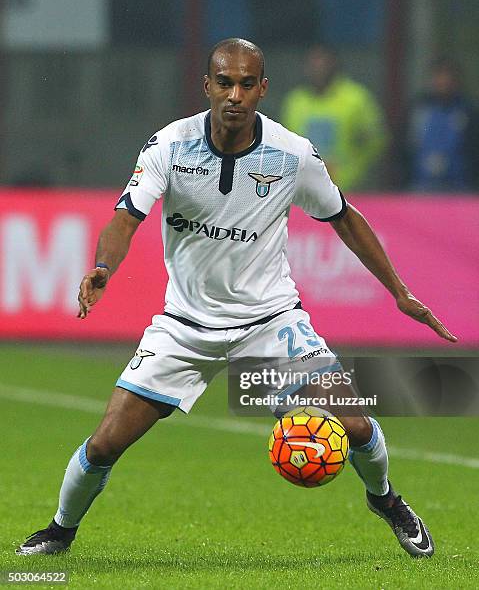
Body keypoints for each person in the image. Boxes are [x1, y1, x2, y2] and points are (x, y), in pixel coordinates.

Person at [17, 38, 456, 558]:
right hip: (184, 326)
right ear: (206, 86)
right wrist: (103, 267)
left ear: (263, 89)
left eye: (247, 84)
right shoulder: (169, 146)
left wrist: (400, 293)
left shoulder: (291, 154)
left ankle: (386, 500)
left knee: (354, 425)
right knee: (105, 443)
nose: (235, 94)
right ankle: (59, 531)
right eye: (224, 82)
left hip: (268, 323)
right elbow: (125, 216)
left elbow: (344, 215)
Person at [281, 45, 387, 191]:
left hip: (350, 190)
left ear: (334, 65)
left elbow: (377, 141)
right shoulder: (295, 102)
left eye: (322, 64)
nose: (318, 70)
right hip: (306, 191)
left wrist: (357, 172)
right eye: (313, 65)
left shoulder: (356, 99)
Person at [406, 57, 479, 192]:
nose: (444, 81)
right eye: (440, 76)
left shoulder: (468, 112)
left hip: (459, 188)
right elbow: (405, 147)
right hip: (421, 187)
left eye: (448, 77)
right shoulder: (418, 109)